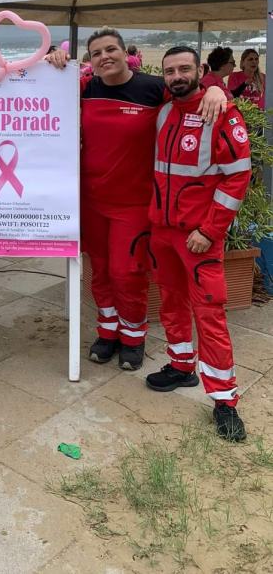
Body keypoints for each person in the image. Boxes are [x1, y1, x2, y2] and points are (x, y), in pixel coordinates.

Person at [46, 29, 226, 372]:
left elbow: (188, 96)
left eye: (111, 49)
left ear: (125, 52)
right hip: (90, 198)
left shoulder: (152, 88)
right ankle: (108, 331)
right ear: (91, 60)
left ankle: (133, 336)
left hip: (134, 203)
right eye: (96, 52)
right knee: (99, 271)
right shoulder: (85, 88)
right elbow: (38, 93)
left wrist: (215, 87)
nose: (104, 57)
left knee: (127, 272)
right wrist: (52, 60)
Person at [146, 46, 250, 441]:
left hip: (199, 237)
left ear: (200, 70)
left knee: (209, 313)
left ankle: (225, 401)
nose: (176, 76)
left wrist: (209, 230)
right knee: (171, 302)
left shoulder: (220, 112)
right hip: (163, 231)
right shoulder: (164, 110)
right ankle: (181, 365)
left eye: (184, 69)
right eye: (170, 70)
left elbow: (237, 178)